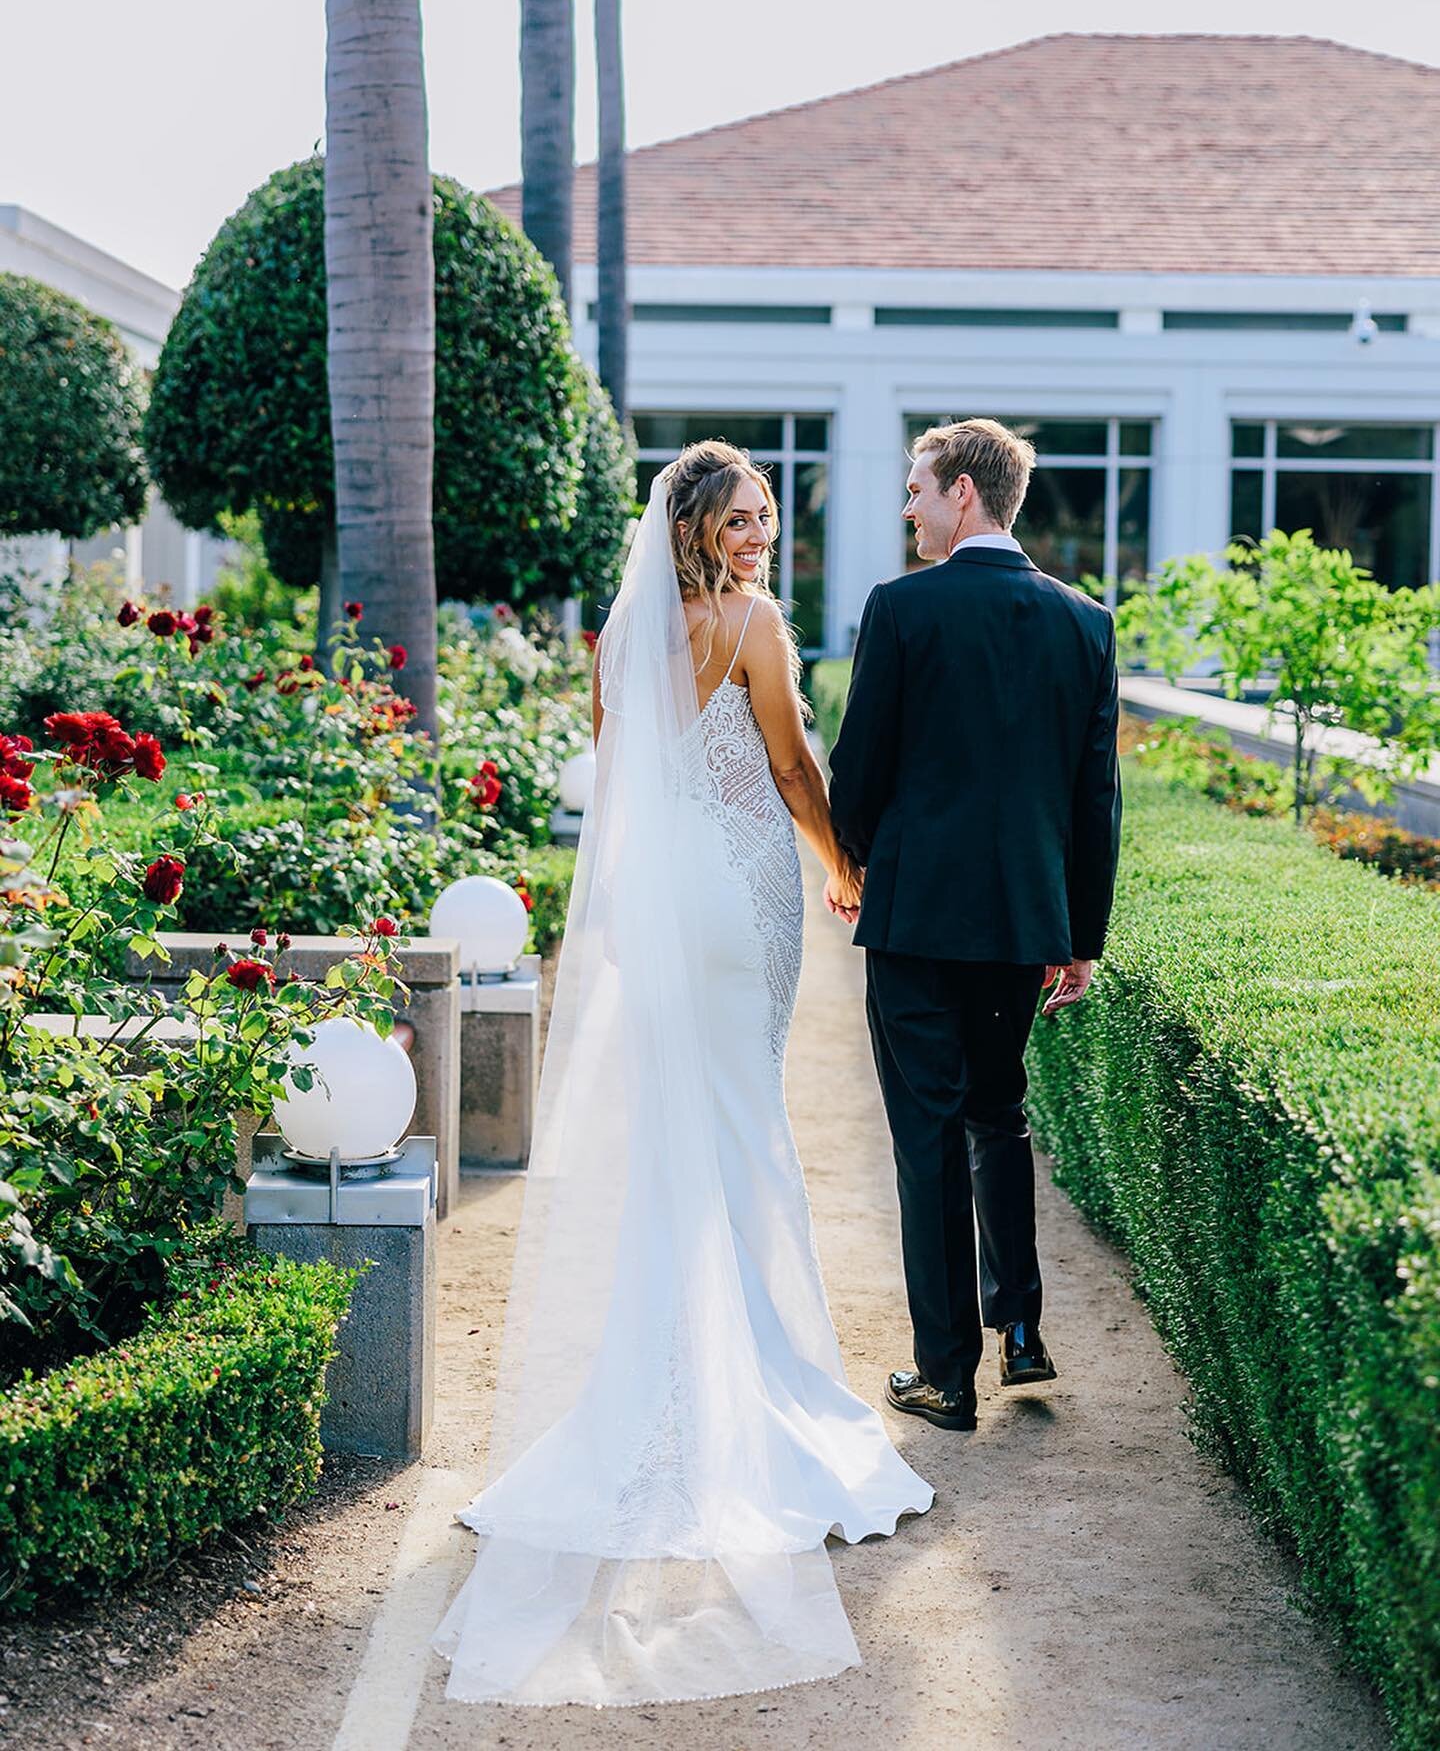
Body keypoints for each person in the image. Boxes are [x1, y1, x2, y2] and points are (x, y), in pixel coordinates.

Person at [433, 441, 932, 1708]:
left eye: (767, 515)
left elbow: (621, 781)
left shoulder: (620, 635)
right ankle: (747, 1383)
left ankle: (666, 1379)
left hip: (664, 907)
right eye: (743, 517)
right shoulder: (755, 624)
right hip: (746, 892)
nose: (760, 534)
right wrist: (842, 865)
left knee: (688, 1131)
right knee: (745, 1126)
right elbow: (786, 768)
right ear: (701, 525)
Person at [829, 417, 1122, 1433]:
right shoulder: (1085, 622)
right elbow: (1096, 801)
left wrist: (853, 858)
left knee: (927, 1138)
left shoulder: (903, 611)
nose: (906, 506)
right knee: (1000, 1117)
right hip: (1020, 925)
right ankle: (1025, 1333)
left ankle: (946, 1373)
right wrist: (1079, 933)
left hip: (915, 923)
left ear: (963, 492)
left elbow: (855, 773)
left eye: (916, 487)